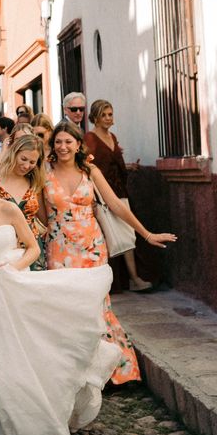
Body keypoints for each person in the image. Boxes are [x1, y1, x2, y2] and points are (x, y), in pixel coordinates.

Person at [0, 154, 120, 435]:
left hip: (15, 288)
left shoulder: (8, 209)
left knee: (23, 358)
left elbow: (32, 248)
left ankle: (35, 422)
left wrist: (13, 267)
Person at [41, 120, 177, 385]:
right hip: (59, 248)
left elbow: (115, 204)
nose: (63, 146)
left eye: (68, 141)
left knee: (97, 307)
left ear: (78, 144)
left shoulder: (89, 171)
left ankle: (115, 372)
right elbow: (40, 216)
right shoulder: (43, 172)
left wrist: (146, 234)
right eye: (58, 141)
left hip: (92, 248)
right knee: (67, 308)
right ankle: (76, 375)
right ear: (53, 145)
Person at [84, 100, 151, 292]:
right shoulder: (90, 138)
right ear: (95, 116)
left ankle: (132, 278)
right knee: (111, 236)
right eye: (103, 114)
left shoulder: (112, 136)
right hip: (102, 195)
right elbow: (89, 165)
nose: (107, 118)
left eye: (110, 114)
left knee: (127, 234)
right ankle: (126, 280)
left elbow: (113, 161)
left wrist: (128, 166)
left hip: (119, 191)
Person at [0, 134, 47, 267]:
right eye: (23, 159)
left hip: (32, 249)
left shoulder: (35, 183)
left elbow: (45, 219)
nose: (27, 165)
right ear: (14, 153)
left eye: (32, 162)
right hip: (2, 247)